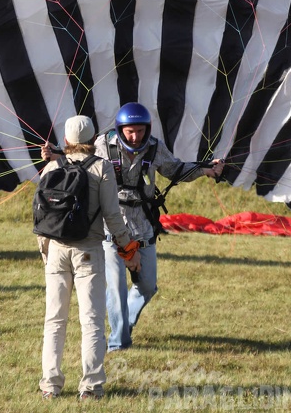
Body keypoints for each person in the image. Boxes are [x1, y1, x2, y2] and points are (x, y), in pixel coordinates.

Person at [94, 102, 225, 352]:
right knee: (117, 287)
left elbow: (175, 170)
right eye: (130, 131)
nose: (136, 136)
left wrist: (205, 169)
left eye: (140, 131)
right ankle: (118, 344)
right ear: (121, 129)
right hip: (111, 226)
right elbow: (83, 166)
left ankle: (123, 326)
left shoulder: (154, 148)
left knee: (147, 286)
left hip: (143, 226)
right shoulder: (102, 147)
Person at [38, 115, 141, 401]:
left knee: (54, 320)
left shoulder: (52, 166)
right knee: (92, 320)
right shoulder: (102, 167)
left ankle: (50, 384)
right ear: (93, 140)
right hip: (89, 251)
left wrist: (45, 251)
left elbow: (41, 214)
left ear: (68, 140)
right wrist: (128, 250)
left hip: (56, 251)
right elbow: (112, 217)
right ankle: (91, 385)